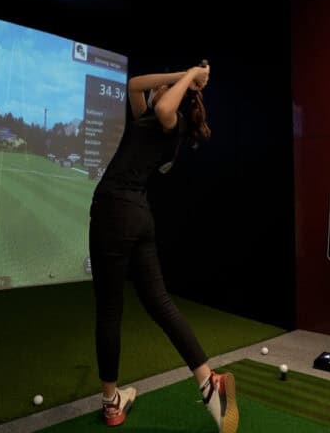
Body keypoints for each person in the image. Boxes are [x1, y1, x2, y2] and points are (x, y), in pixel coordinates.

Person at [88, 62, 238, 432]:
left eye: (166, 89)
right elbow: (135, 85)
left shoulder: (171, 122)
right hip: (139, 217)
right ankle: (208, 382)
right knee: (160, 304)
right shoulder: (150, 120)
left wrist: (189, 77)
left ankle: (111, 402)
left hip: (113, 212)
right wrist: (183, 75)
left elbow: (165, 105)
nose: (158, 90)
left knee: (109, 310)